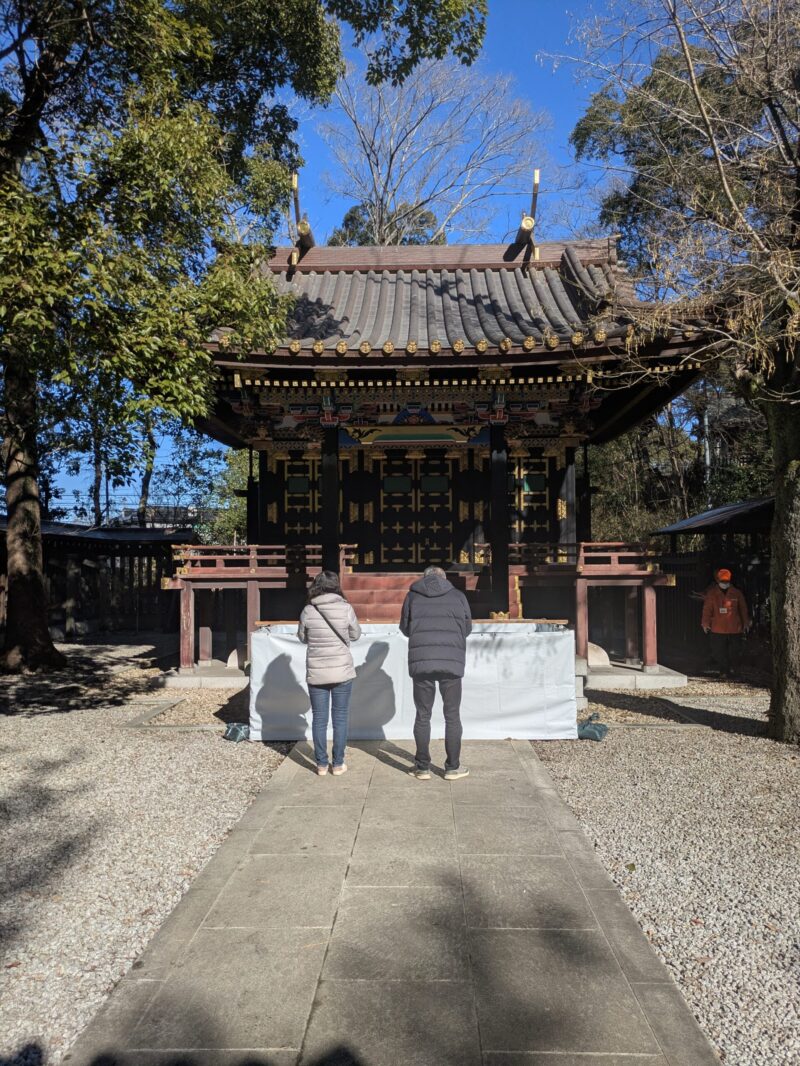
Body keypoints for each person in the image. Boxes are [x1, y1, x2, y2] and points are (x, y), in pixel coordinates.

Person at [399, 565, 472, 781]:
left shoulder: (412, 596)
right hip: (451, 663)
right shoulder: (458, 596)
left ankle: (422, 767)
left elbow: (405, 628)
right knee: (452, 715)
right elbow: (467, 628)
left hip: (422, 664)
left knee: (423, 714)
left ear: (424, 578)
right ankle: (452, 767)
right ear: (444, 578)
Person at [297, 570, 361, 776]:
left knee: (319, 718)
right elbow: (356, 634)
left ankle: (321, 764)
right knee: (340, 717)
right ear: (336, 586)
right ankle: (339, 763)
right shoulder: (346, 608)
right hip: (342, 670)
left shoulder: (308, 610)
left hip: (317, 672)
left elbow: (302, 637)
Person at [701, 567, 751, 678]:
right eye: (722, 581)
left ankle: (735, 670)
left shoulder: (737, 593)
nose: (724, 583)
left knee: (735, 651)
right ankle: (724, 671)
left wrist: (746, 623)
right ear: (718, 581)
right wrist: (705, 623)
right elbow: (707, 609)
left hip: (735, 629)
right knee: (718, 652)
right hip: (717, 629)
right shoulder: (712, 594)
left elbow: (743, 609)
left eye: (726, 581)